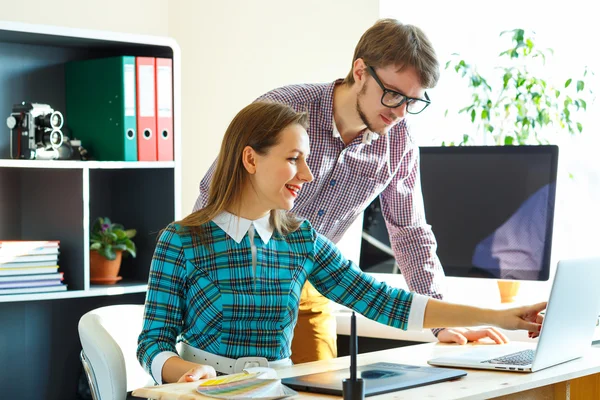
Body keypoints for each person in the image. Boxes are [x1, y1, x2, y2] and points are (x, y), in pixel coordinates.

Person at [138, 101, 546, 385]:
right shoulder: (182, 240)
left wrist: (502, 316)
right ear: (250, 159)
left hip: (276, 389)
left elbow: (382, 299)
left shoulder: (301, 240)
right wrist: (185, 373)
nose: (308, 175)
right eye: (294, 158)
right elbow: (153, 342)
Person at [193, 19, 504, 363]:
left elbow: (410, 232)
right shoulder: (286, 108)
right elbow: (214, 194)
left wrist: (441, 322)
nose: (400, 112)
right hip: (237, 277)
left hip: (312, 282)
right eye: (393, 94)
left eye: (412, 102)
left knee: (320, 387)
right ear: (360, 72)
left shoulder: (398, 143)